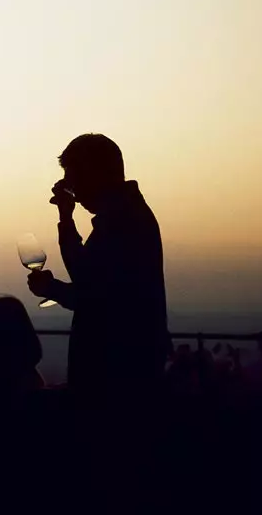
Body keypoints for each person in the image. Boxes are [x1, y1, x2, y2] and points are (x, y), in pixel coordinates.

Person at [26, 134, 169, 394]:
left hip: (118, 373)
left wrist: (51, 288)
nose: (74, 192)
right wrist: (66, 217)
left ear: (95, 173)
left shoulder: (123, 220)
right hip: (127, 366)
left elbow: (93, 294)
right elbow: (91, 281)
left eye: (75, 178)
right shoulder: (124, 214)